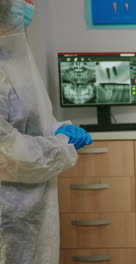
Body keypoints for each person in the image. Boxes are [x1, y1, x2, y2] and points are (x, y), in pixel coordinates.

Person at [0, 1, 93, 263]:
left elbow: (30, 120)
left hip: (32, 202)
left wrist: (58, 129)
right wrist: (60, 145)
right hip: (8, 207)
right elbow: (5, 151)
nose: (31, 5)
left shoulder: (16, 54)